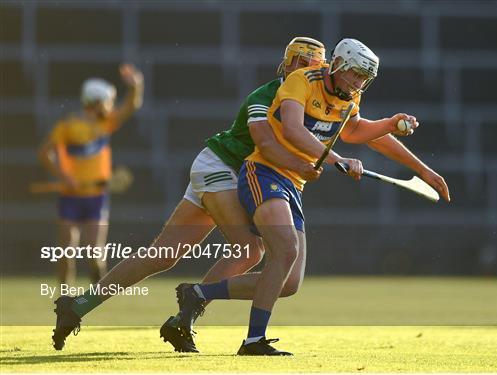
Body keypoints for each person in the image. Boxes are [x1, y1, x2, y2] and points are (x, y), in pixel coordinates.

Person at [175, 38, 450, 356]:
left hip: (294, 183)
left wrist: (418, 163)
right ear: (338, 65)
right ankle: (254, 341)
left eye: (365, 78)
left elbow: (355, 131)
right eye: (356, 74)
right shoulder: (302, 80)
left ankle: (198, 293)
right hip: (264, 172)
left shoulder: (350, 96)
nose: (359, 83)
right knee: (285, 249)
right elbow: (292, 129)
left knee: (289, 282)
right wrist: (338, 161)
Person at [51, 37, 326, 351]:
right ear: (287, 62)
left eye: (313, 67)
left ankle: (78, 305)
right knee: (251, 250)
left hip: (228, 172)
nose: (306, 71)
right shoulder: (268, 95)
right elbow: (266, 145)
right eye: (301, 63)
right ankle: (185, 318)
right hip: (222, 166)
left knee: (162, 255)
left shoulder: (309, 102)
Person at [38, 64, 144, 286]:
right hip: (70, 196)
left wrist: (136, 85)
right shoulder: (68, 125)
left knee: (95, 254)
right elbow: (45, 153)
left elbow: (132, 105)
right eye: (107, 101)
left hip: (96, 196)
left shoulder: (105, 124)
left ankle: (96, 298)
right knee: (66, 254)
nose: (110, 105)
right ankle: (64, 299)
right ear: (96, 102)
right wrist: (63, 176)